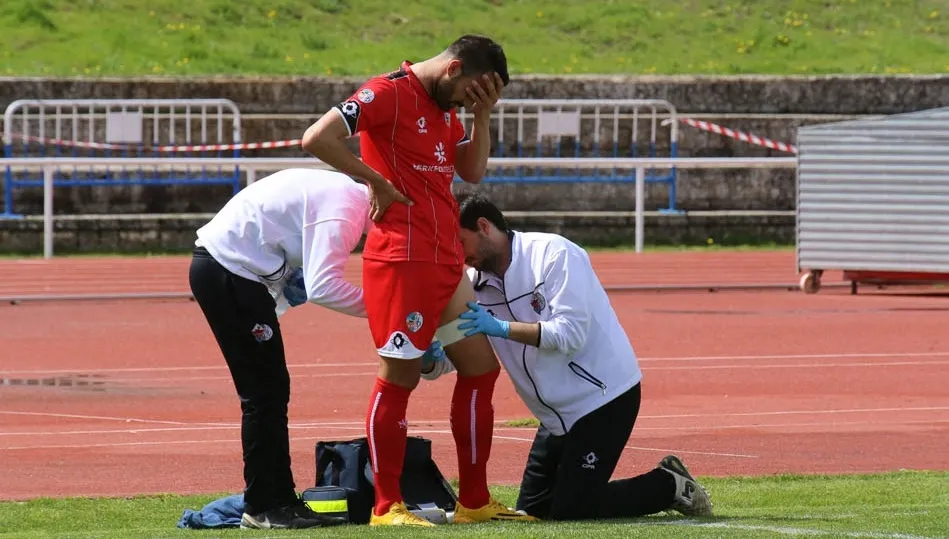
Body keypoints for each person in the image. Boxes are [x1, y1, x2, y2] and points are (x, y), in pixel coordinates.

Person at [300, 35, 536, 527]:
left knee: (480, 369)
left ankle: (473, 502)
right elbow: (316, 138)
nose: (468, 102)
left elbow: (470, 172)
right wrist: (375, 181)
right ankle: (387, 507)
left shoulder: (449, 107)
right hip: (402, 260)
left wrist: (482, 116)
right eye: (471, 93)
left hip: (446, 262)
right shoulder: (386, 93)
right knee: (399, 378)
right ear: (453, 70)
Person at [420, 194, 714, 522]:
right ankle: (649, 485)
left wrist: (501, 328)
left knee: (575, 510)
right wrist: (427, 358)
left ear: (484, 227)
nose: (459, 255)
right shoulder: (473, 284)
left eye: (460, 242)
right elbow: (459, 356)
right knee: (534, 513)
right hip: (554, 417)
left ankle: (669, 484)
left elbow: (570, 335)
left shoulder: (554, 254)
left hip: (603, 398)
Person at [188, 168, 372, 530]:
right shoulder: (347, 210)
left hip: (232, 270)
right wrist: (386, 311)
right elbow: (324, 288)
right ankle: (264, 506)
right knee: (264, 393)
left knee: (270, 390)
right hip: (229, 270)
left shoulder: (346, 197)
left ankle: (277, 500)